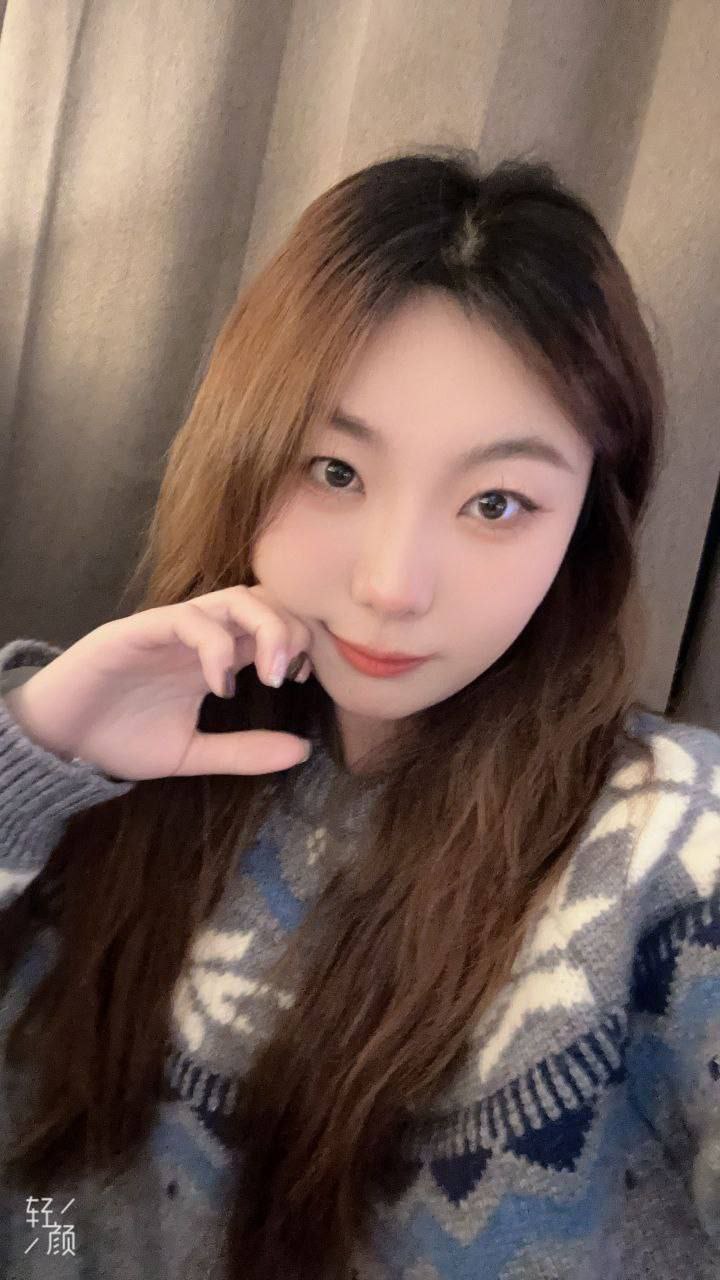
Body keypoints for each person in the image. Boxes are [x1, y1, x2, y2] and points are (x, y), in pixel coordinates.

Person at [0, 146, 718, 1280]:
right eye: (334, 471)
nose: (392, 584)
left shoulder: (670, 862)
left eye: (496, 501)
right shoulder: (136, 764)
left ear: (586, 522)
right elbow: (35, 1187)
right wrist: (31, 760)